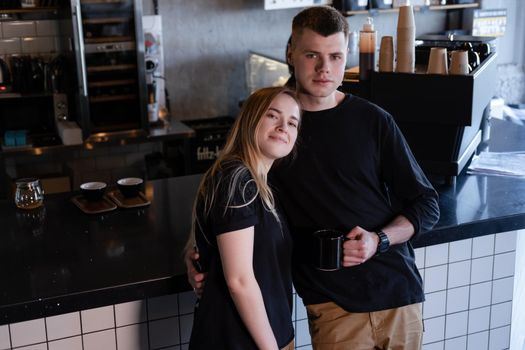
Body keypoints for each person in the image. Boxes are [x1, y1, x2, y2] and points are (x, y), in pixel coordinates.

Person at [187, 6, 440, 350]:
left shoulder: (374, 121)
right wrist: (196, 250)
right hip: (333, 307)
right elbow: (226, 192)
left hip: (399, 294)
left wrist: (379, 239)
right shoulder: (271, 130)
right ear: (290, 52)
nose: (325, 69)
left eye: (335, 56)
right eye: (312, 55)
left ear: (347, 54)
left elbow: (427, 204)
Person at [185, 86, 301, 350]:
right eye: (273, 116)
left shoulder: (261, 183)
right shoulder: (236, 179)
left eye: (292, 122)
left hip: (270, 334)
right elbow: (239, 281)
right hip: (239, 340)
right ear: (251, 120)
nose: (284, 126)